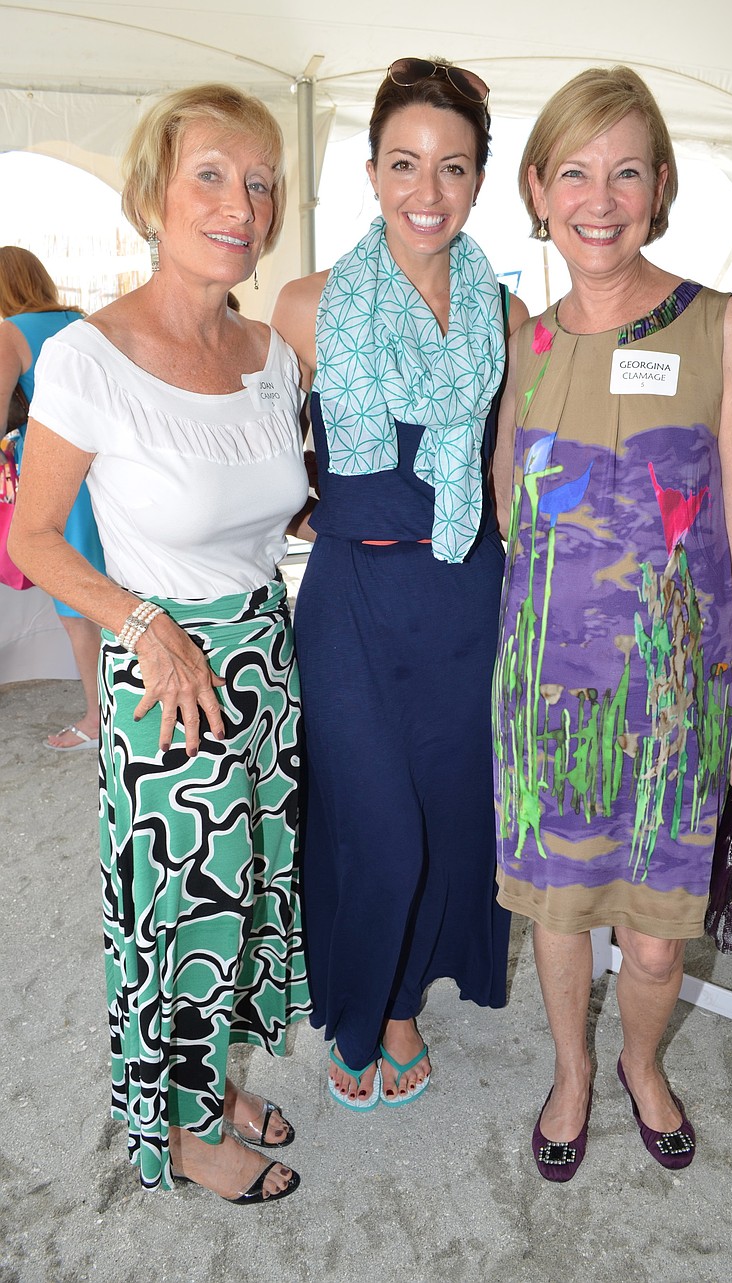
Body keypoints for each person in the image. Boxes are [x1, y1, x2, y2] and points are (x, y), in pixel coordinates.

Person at [9, 84, 310, 1203]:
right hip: (164, 668)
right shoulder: (90, 356)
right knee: (187, 906)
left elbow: (270, 508)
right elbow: (35, 535)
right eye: (212, 175)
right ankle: (180, 1131)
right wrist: (144, 624)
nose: (241, 203)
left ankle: (217, 1081)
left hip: (264, 661)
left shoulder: (271, 352)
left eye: (261, 181)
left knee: (252, 894)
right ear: (152, 193)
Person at [491, 65, 732, 1181]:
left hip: (682, 699)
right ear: (537, 188)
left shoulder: (723, 327)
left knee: (659, 929)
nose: (599, 197)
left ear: (659, 185)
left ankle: (639, 1061)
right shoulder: (524, 343)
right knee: (562, 913)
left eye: (625, 171)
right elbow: (503, 507)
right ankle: (570, 1070)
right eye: (573, 171)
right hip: (549, 697)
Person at [273, 57, 527, 1109]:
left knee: (446, 811)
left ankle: (399, 1001)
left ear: (478, 181)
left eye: (453, 167)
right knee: (371, 818)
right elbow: (261, 458)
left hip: (467, 596)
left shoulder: (506, 317)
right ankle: (357, 996)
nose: (428, 192)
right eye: (405, 164)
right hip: (351, 603)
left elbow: (504, 476)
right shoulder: (304, 304)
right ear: (371, 171)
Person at [0, 246, 104, 749]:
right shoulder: (84, 320)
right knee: (115, 584)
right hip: (106, 468)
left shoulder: (10, 332)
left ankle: (96, 721)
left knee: (75, 598)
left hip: (57, 474)